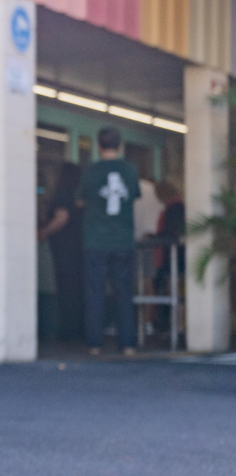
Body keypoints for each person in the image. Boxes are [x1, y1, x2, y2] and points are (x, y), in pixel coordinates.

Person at [78, 127, 141, 355]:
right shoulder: (130, 170)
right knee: (124, 291)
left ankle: (95, 343)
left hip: (95, 240)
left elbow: (80, 200)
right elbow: (133, 196)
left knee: (95, 292)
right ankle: (127, 344)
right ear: (120, 145)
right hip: (123, 239)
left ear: (98, 146)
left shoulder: (90, 171)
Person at [38, 161, 84, 342]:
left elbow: (61, 217)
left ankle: (68, 331)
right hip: (79, 246)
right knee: (78, 288)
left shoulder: (63, 192)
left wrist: (44, 232)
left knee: (66, 289)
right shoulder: (80, 194)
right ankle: (79, 329)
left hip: (64, 248)